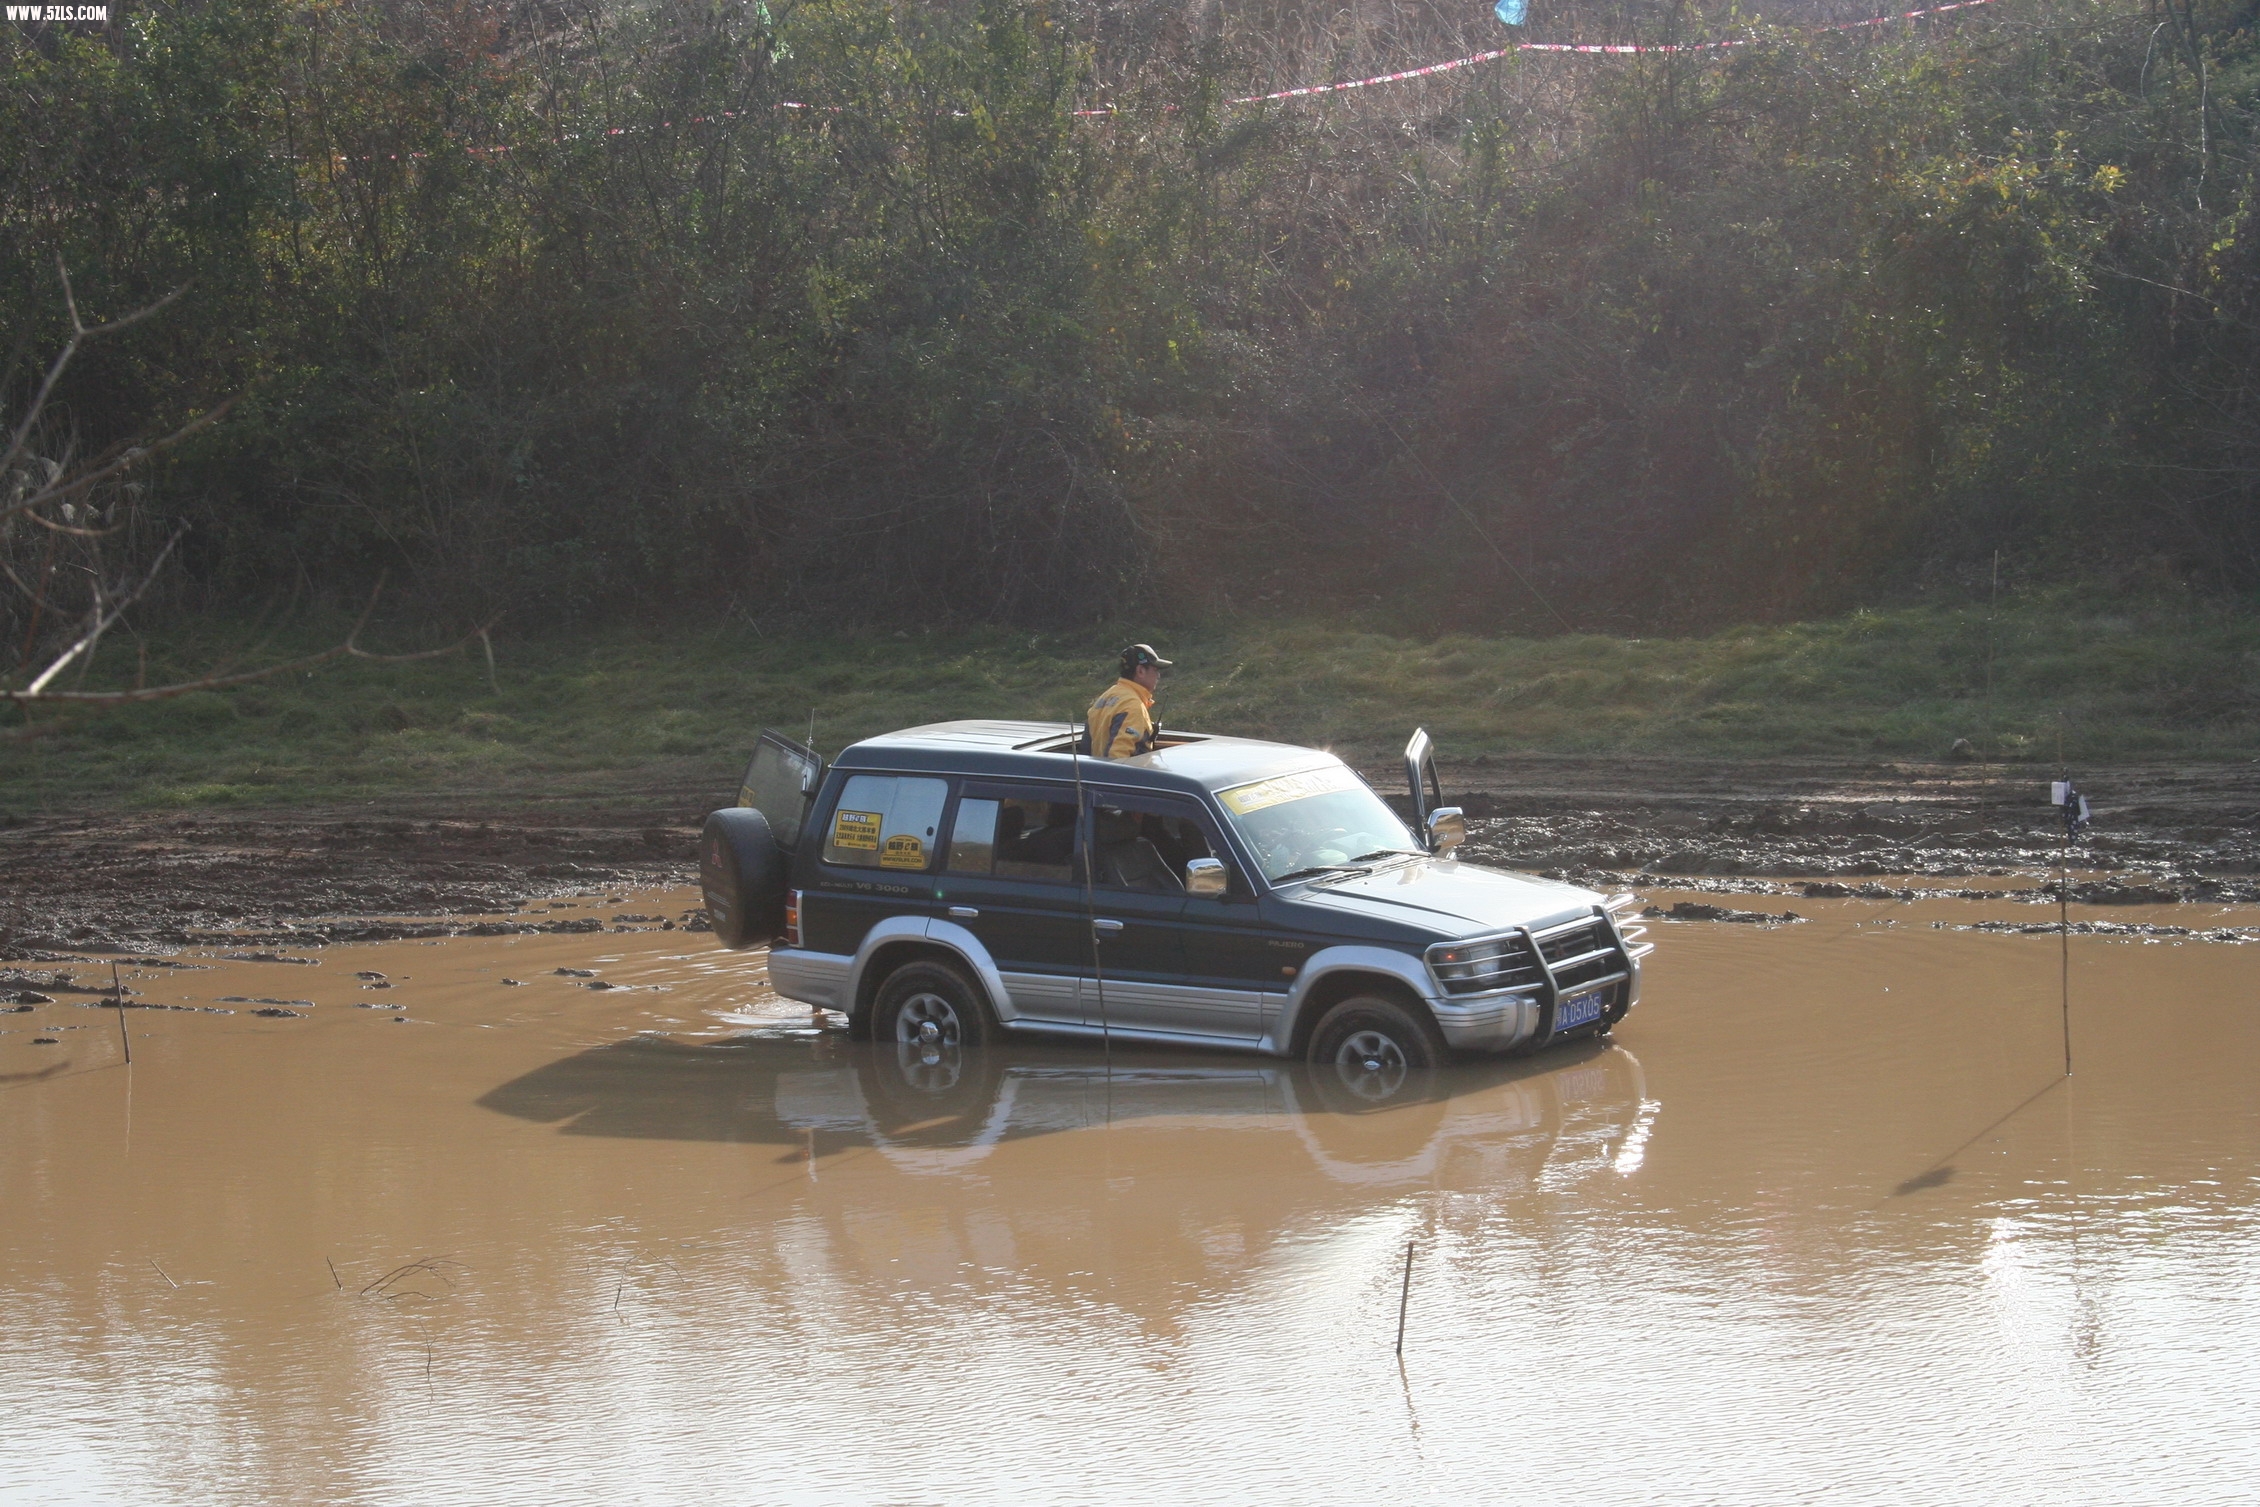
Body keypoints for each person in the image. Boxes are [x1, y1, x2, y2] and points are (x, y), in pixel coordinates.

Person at [1087, 643, 1170, 759]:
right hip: (1121, 776)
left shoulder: (1107, 696)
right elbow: (1117, 758)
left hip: (1096, 772)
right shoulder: (1132, 706)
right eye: (1155, 670)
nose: (1158, 676)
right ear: (1140, 671)